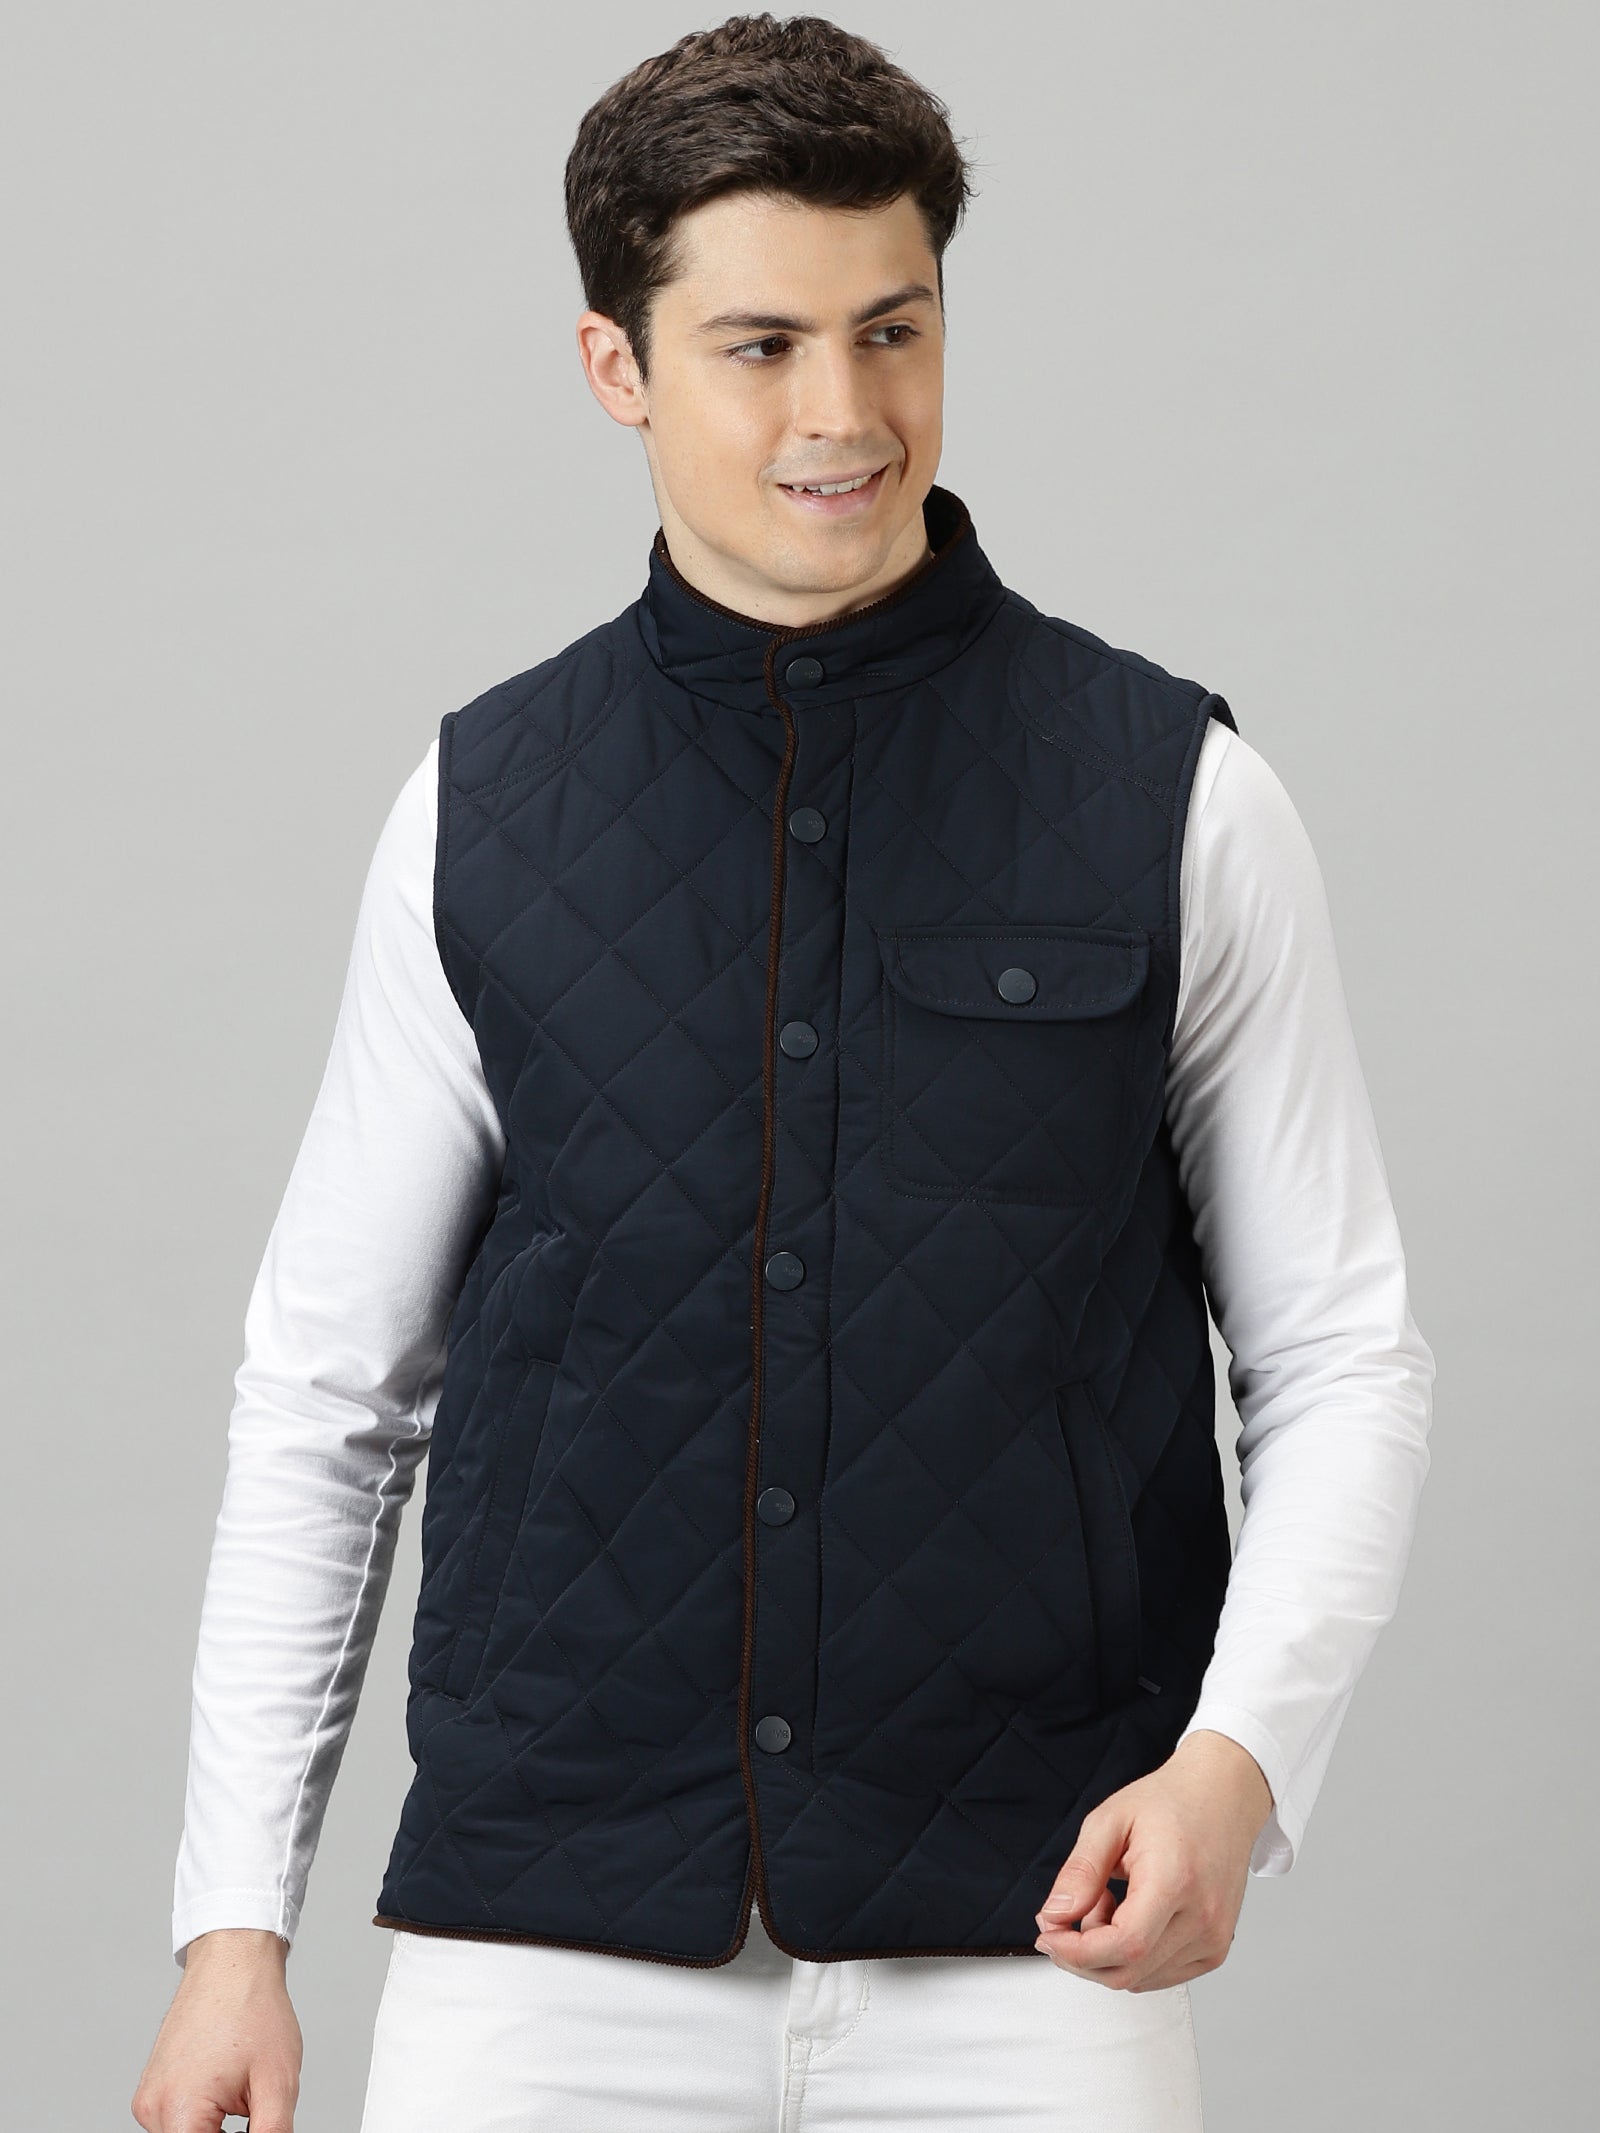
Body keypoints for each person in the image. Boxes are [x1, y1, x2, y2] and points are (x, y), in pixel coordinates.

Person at [132, 14, 1436, 2131]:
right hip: (544, 1953)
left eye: (891, 329)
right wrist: (231, 1932)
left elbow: (1341, 1355)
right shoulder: (480, 809)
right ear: (616, 365)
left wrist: (1237, 1763)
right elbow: (327, 1395)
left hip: (1032, 1930)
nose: (844, 413)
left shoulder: (1176, 797)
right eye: (759, 345)